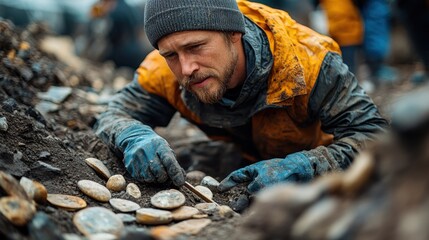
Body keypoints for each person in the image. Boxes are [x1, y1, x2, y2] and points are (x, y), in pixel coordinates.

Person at [94, 0, 388, 194]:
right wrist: (132, 135)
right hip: (242, 154)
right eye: (171, 54)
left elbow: (375, 137)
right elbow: (115, 112)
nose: (186, 68)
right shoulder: (164, 70)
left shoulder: (309, 63)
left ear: (235, 33)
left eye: (196, 47)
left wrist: (308, 166)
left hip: (319, 171)